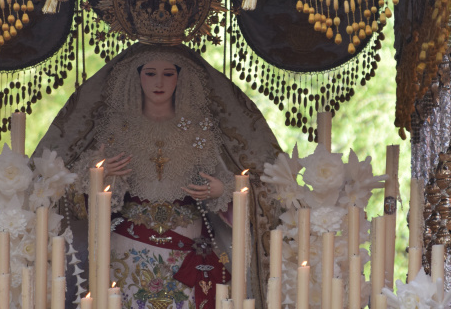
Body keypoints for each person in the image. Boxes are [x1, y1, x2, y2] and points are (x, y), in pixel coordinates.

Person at [34, 43, 282, 309]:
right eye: (150, 73)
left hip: (189, 250)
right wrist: (101, 176)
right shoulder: (116, 130)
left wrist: (221, 191)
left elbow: (232, 183)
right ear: (137, 78)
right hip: (126, 250)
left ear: (180, 78)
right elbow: (76, 198)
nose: (159, 82)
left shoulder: (200, 130)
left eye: (168, 74)